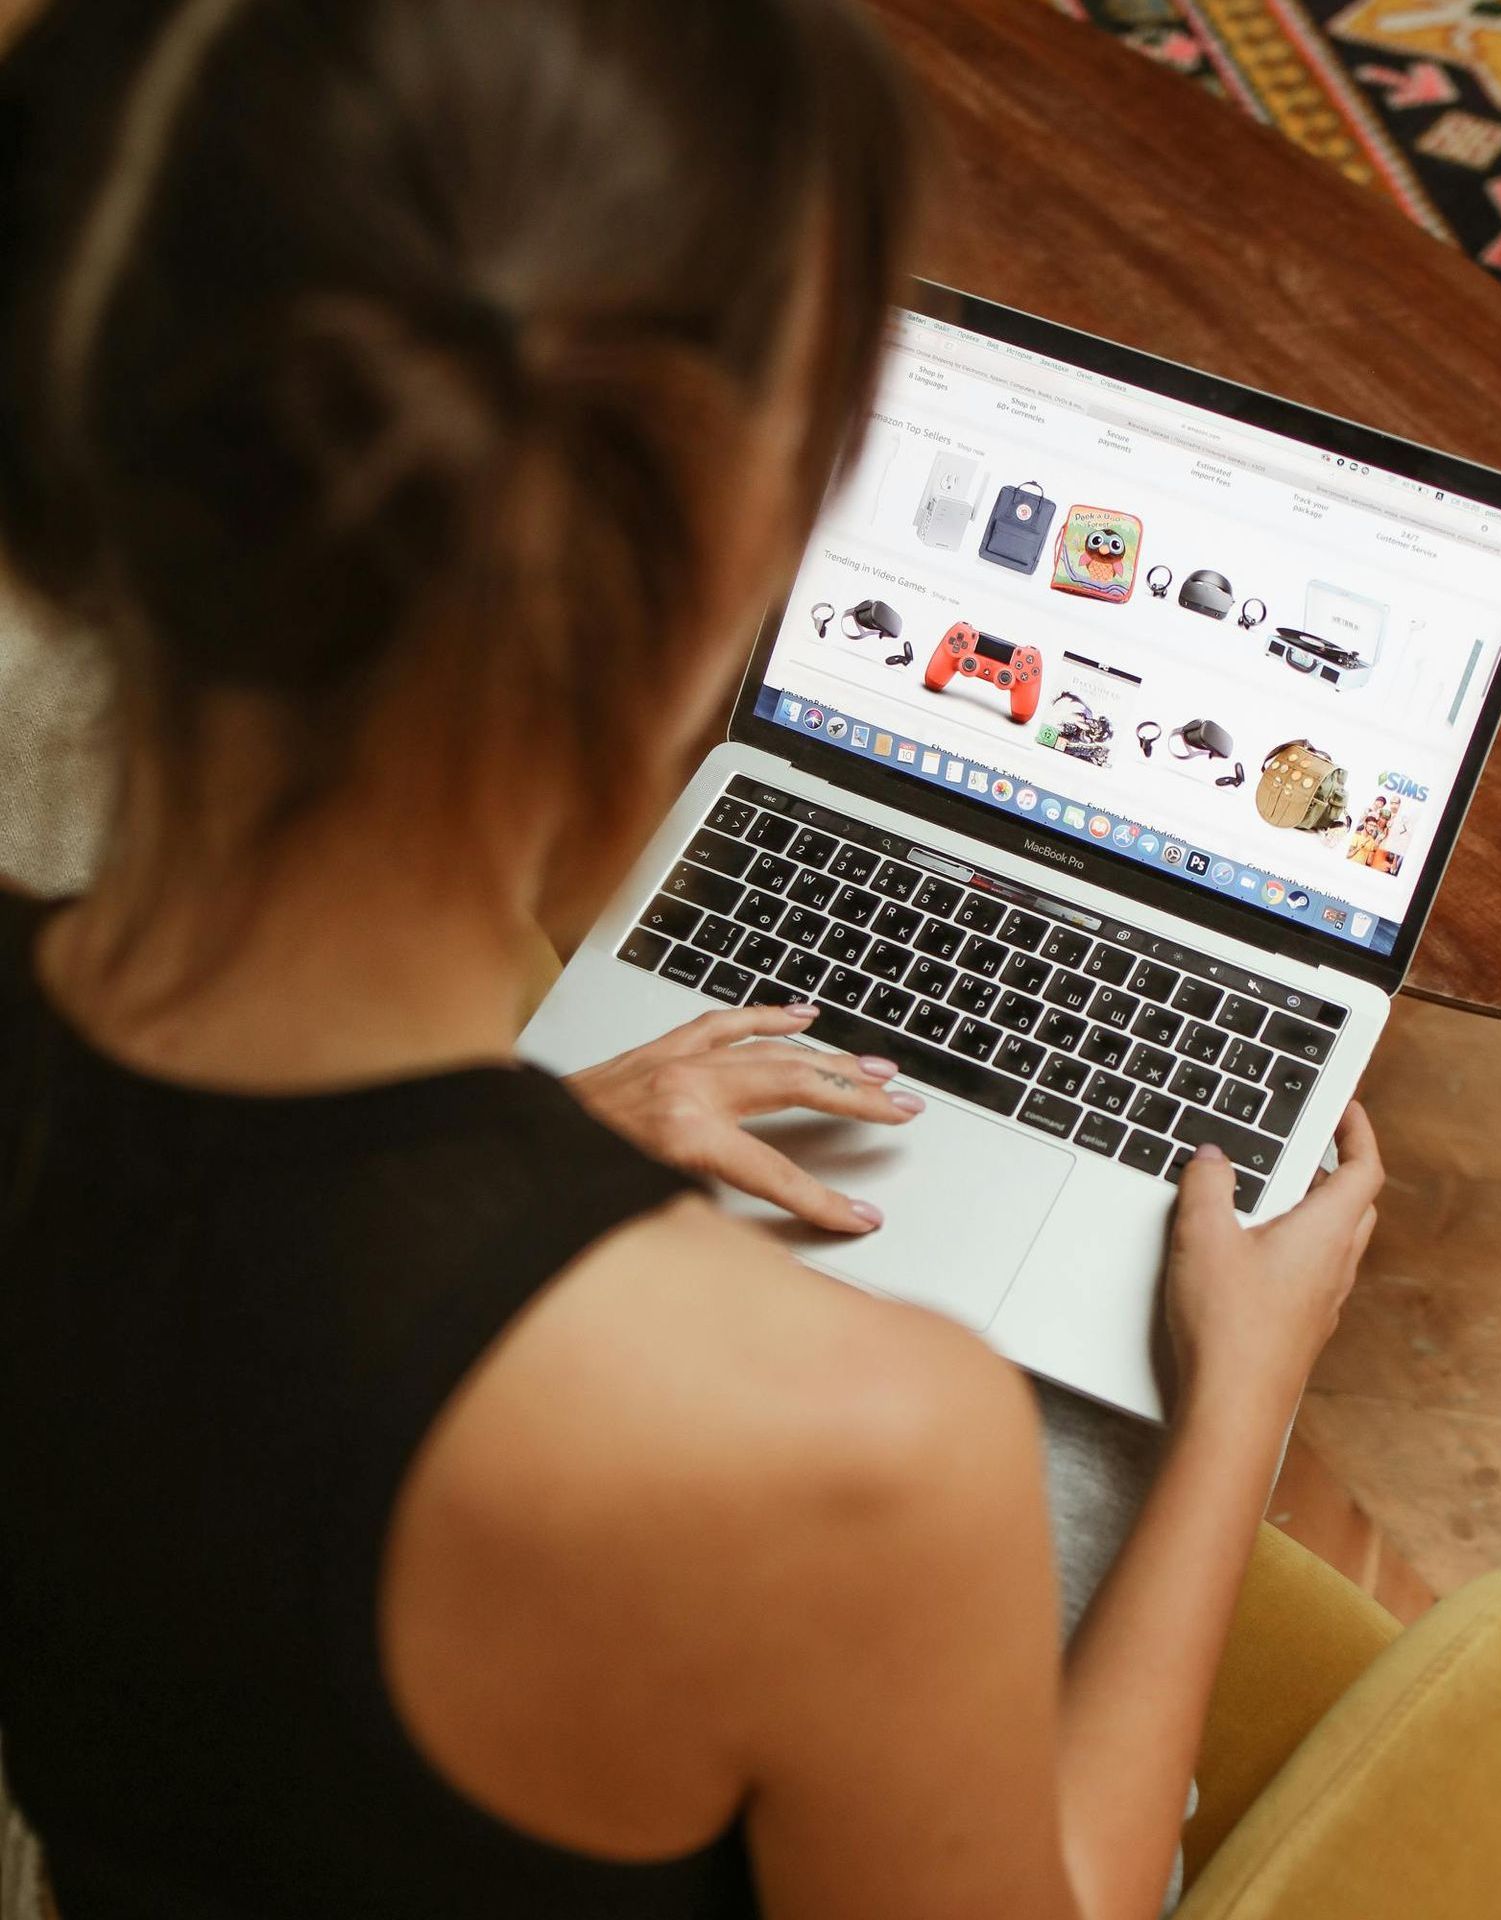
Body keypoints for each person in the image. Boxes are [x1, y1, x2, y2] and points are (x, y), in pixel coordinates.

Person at [0, 3, 1384, 1918]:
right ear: (703, 562)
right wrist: (1247, 1397)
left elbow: (236, 1314)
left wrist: (535, 1145)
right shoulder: (849, 1451)